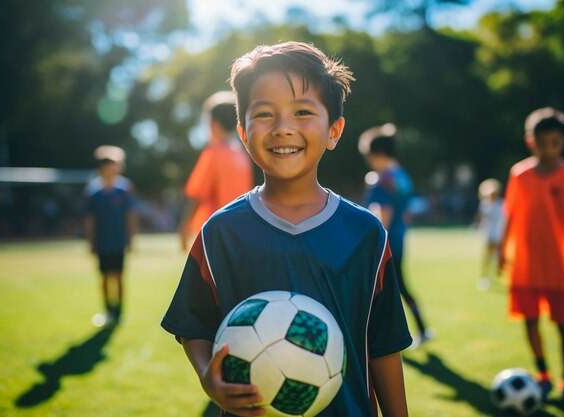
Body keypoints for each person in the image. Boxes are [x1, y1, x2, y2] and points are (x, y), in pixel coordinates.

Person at [162, 41, 412, 417]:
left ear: (334, 130)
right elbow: (192, 323)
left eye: (302, 112)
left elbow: (384, 345)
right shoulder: (220, 232)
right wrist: (206, 376)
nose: (283, 128)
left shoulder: (366, 234)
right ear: (243, 132)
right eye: (264, 114)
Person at [499, 107, 564, 406]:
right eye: (542, 143)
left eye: (553, 142)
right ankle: (543, 376)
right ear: (531, 142)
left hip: (560, 266)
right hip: (526, 267)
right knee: (530, 322)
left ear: (561, 142)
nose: (547, 149)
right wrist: (504, 252)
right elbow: (511, 216)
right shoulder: (519, 174)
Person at [358, 123, 431, 347]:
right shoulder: (402, 177)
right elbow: (407, 213)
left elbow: (382, 216)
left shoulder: (381, 178)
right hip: (399, 241)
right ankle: (422, 329)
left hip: (383, 246)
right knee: (399, 287)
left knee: (375, 293)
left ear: (377, 154)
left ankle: (377, 340)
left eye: (369, 157)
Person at [179, 91, 254, 251]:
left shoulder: (213, 153)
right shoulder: (242, 154)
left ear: (213, 123)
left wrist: (184, 231)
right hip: (239, 233)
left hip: (214, 234)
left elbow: (196, 196)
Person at [84, 145, 138, 327]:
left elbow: (130, 216)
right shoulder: (94, 192)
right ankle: (107, 310)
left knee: (119, 276)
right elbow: (90, 219)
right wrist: (91, 242)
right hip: (102, 243)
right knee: (105, 277)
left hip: (118, 242)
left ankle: (119, 312)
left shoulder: (125, 189)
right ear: (100, 168)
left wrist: (131, 240)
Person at [473, 178, 505, 291]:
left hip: (498, 234)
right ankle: (484, 277)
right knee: (487, 257)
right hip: (488, 233)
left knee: (498, 257)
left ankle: (497, 276)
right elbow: (480, 219)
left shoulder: (502, 204)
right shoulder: (484, 205)